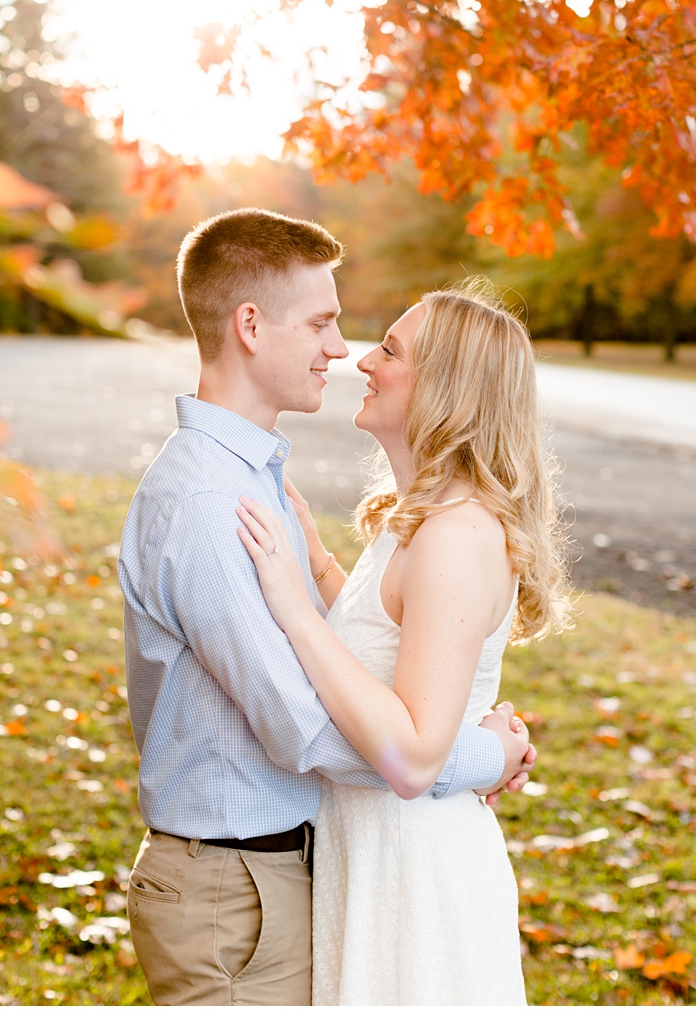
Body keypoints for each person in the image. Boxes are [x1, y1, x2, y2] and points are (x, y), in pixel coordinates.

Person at [118, 210, 535, 1005]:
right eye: (324, 322)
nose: (347, 352)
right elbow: (305, 722)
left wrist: (316, 576)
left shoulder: (259, 480)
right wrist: (481, 757)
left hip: (327, 873)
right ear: (250, 326)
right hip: (240, 884)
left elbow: (373, 651)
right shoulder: (216, 501)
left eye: (382, 345)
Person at [235, 279, 573, 1005]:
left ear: (445, 388)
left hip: (418, 879)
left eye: (390, 349)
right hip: (376, 859)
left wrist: (294, 608)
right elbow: (379, 644)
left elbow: (415, 753)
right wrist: (316, 562)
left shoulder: (458, 536)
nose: (363, 360)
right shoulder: (420, 519)